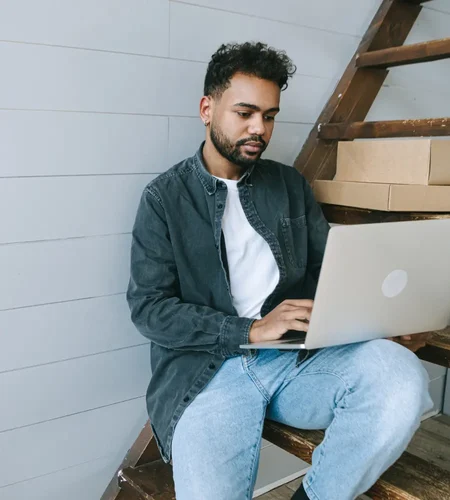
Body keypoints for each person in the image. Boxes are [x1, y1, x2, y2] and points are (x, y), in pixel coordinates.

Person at [127, 42, 432, 500]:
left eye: (269, 116)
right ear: (207, 109)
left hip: (297, 362)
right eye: (245, 113)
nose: (259, 128)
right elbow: (149, 309)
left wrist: (383, 321)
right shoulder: (164, 199)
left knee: (400, 376)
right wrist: (250, 329)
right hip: (208, 373)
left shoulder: (288, 185)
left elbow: (329, 271)